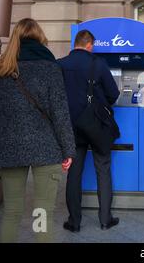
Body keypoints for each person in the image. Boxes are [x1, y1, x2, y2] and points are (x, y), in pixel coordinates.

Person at [0, 18, 76, 243]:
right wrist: (68, 150)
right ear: (40, 38)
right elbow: (60, 114)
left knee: (12, 213)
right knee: (41, 212)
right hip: (46, 148)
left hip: (10, 149)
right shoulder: (51, 68)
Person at [58, 30, 120, 232]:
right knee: (103, 167)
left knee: (74, 173)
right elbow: (113, 93)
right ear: (90, 45)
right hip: (95, 124)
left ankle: (74, 222)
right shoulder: (97, 64)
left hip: (70, 126)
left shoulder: (60, 64)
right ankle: (105, 219)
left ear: (75, 43)